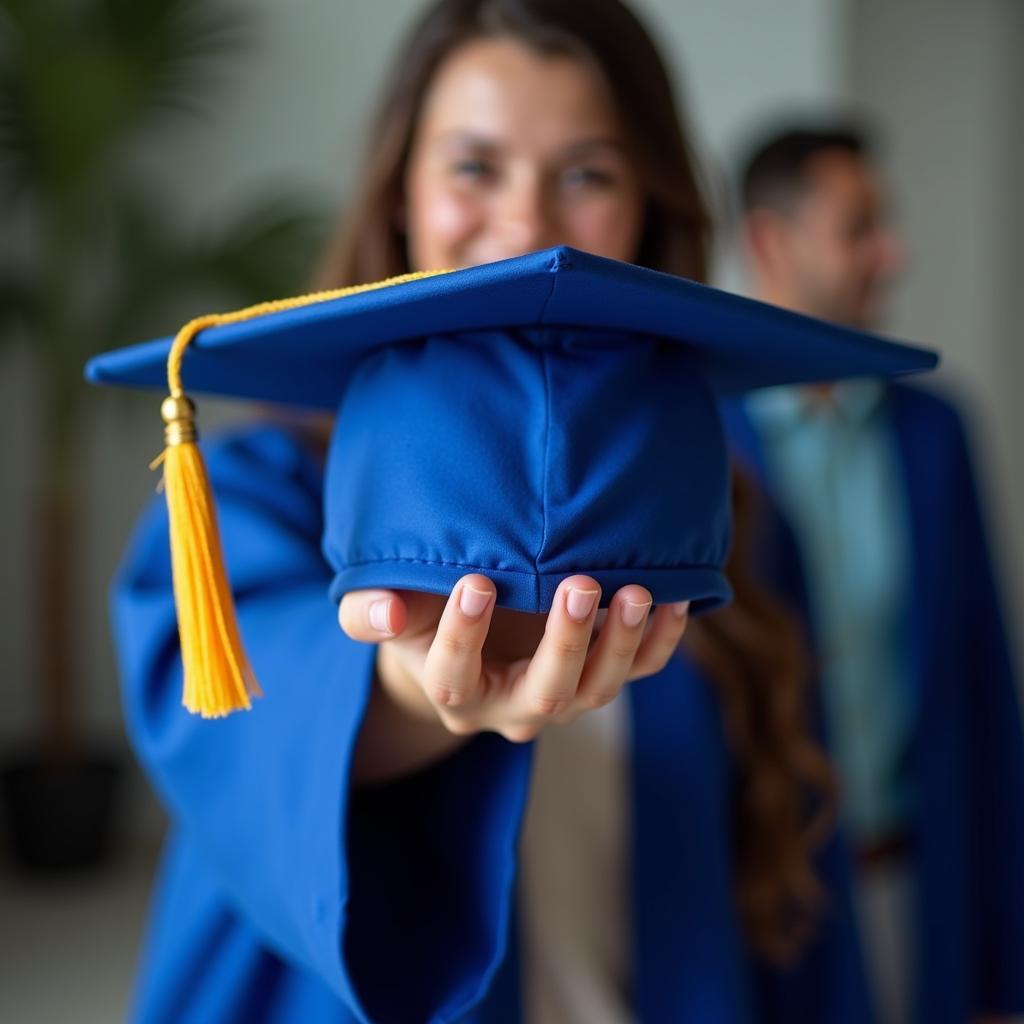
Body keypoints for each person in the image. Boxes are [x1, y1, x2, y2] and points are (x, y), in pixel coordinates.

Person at [107, 6, 886, 1022]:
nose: (524, 225)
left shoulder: (717, 518)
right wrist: (406, 684)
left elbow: (798, 877)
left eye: (587, 173)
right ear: (400, 199)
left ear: (649, 207)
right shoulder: (256, 489)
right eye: (474, 167)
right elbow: (236, 738)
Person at [727, 124, 1024, 1023]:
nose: (890, 254)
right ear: (770, 243)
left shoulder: (937, 434)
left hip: (918, 887)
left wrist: (1004, 962)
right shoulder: (700, 443)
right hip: (762, 907)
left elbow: (984, 691)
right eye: (859, 227)